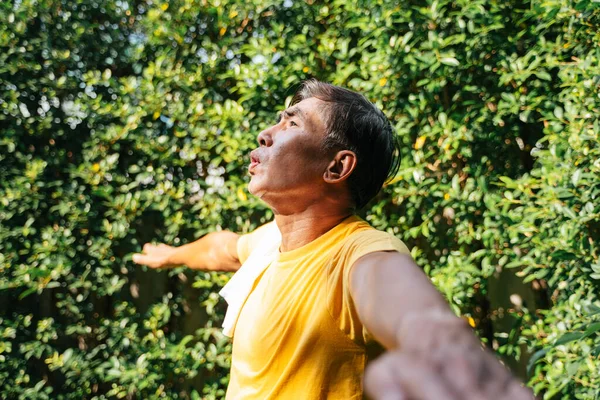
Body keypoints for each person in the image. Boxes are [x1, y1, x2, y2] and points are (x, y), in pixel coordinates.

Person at [133, 80, 534, 399]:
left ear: (337, 166)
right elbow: (222, 248)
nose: (265, 133)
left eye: (291, 124)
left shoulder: (363, 256)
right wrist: (171, 255)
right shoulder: (270, 243)